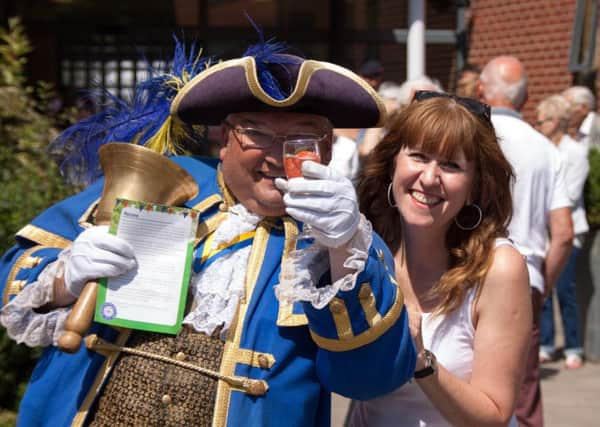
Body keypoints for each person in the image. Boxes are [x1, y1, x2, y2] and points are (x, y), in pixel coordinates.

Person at [0, 40, 416, 426]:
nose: (277, 154)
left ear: (326, 148)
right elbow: (13, 276)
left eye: (301, 138)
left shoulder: (347, 245)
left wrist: (343, 248)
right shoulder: (162, 186)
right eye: (257, 132)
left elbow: (370, 379)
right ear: (225, 138)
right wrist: (63, 279)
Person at [346, 91, 532, 426]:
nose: (430, 178)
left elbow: (494, 416)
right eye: (418, 156)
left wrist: (421, 361)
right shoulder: (370, 250)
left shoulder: (498, 268)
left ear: (476, 185)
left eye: (451, 165)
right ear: (392, 165)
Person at [478, 56, 574, 427]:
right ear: (526, 96)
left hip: (461, 271)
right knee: (523, 391)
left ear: (482, 89)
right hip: (526, 278)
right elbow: (563, 232)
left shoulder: (470, 135)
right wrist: (542, 285)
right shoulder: (546, 149)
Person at [535, 94, 589, 369]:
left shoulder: (575, 152)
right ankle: (545, 343)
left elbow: (570, 193)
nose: (538, 125)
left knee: (565, 289)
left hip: (568, 230)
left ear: (555, 122)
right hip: (542, 231)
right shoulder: (543, 149)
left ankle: (573, 346)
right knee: (543, 287)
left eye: (541, 120)